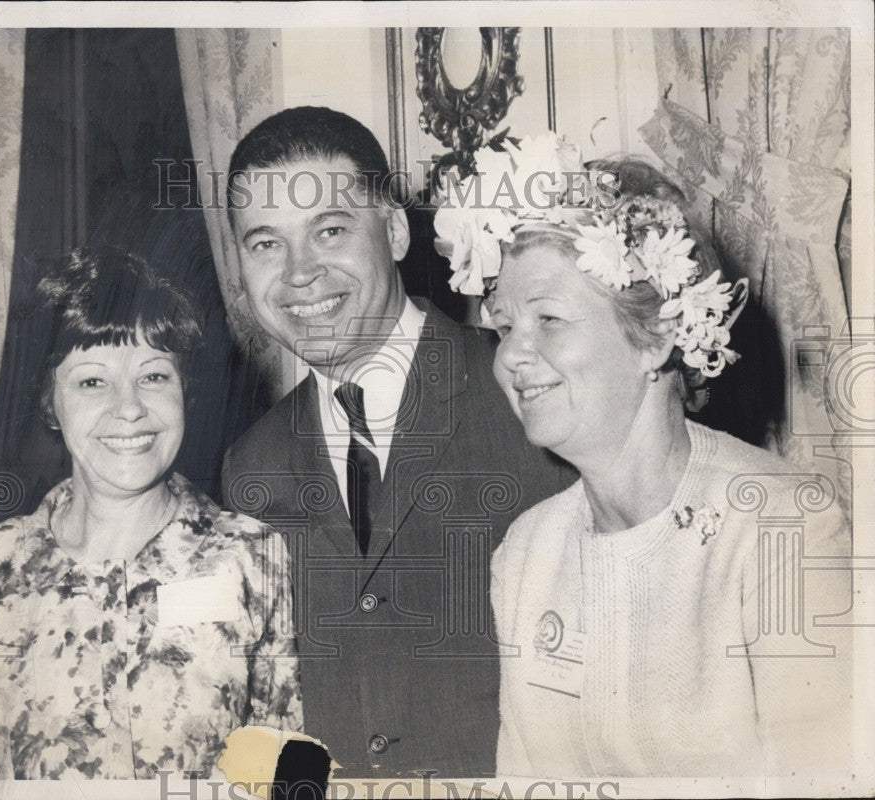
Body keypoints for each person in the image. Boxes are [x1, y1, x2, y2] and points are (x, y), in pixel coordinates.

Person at [435, 136, 853, 776]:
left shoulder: (781, 529)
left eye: (547, 319)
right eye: (502, 327)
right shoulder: (524, 554)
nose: (510, 357)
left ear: (656, 337)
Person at [221, 107, 574, 777]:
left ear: (392, 230)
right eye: (266, 243)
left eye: (329, 230)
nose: (299, 273)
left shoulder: (527, 395)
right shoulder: (251, 465)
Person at [0, 247, 301, 780]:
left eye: (154, 376)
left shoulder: (258, 564)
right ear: (50, 402)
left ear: (185, 388)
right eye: (93, 381)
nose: (129, 407)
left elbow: (287, 778)